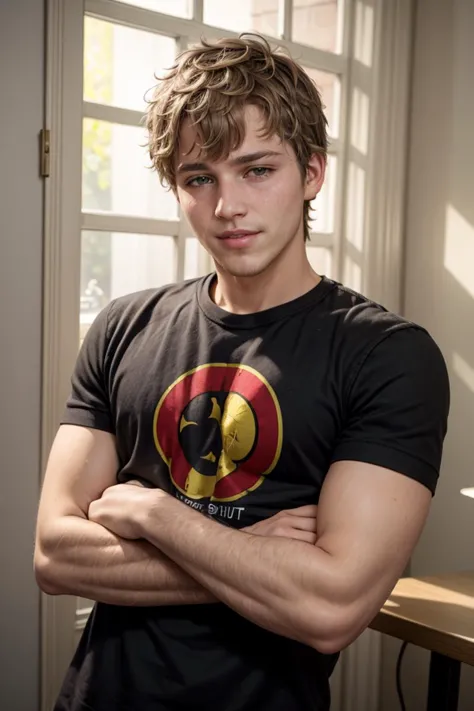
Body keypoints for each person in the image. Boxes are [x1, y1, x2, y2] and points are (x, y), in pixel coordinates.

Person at [34, 34, 450, 711]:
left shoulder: (390, 356)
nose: (228, 205)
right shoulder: (123, 326)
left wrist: (155, 512)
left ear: (312, 172)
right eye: (200, 177)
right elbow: (54, 555)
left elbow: (331, 605)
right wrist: (245, 550)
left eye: (257, 169)